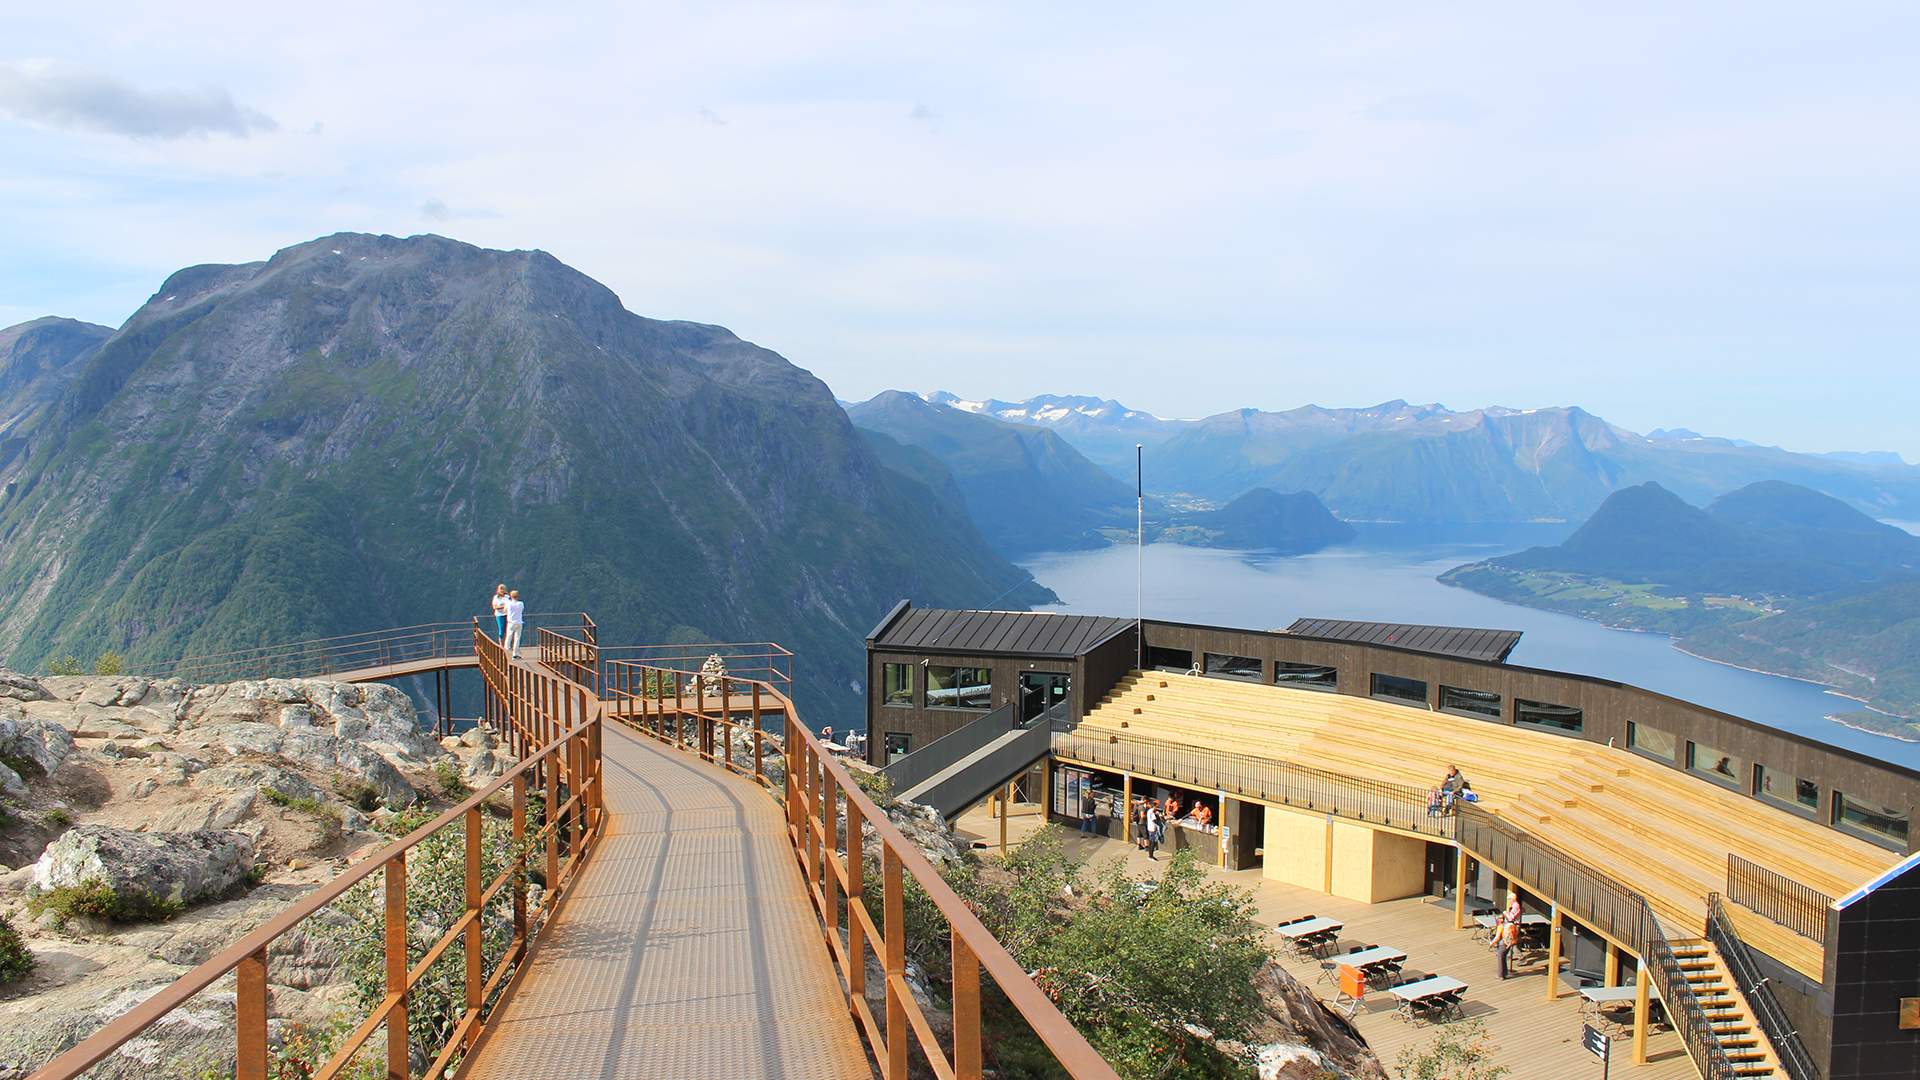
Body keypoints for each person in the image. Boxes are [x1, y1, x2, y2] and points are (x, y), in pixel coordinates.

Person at [504, 589, 526, 659]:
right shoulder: (521, 603)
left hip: (511, 622)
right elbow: (522, 610)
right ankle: (515, 654)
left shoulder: (508, 603)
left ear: (511, 596)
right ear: (517, 596)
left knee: (509, 637)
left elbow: (505, 610)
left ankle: (506, 652)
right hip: (519, 622)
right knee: (517, 638)